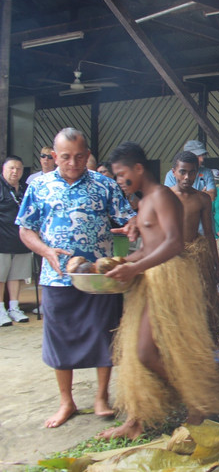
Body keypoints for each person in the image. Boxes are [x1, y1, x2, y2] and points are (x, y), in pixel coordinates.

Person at [99, 142, 219, 440]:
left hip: (170, 280)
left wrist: (133, 268)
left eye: (121, 174)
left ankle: (195, 403)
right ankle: (136, 420)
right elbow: (146, 248)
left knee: (145, 352)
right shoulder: (144, 202)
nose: (119, 181)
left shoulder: (162, 196)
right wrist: (116, 264)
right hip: (150, 280)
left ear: (139, 169)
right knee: (136, 353)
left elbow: (174, 244)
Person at [16, 128, 136, 429]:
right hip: (57, 277)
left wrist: (131, 227)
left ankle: (100, 397)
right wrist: (46, 251)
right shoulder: (39, 186)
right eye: (66, 157)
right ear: (55, 156)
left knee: (105, 334)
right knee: (61, 339)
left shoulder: (104, 185)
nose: (73, 162)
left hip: (99, 276)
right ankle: (66, 401)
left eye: (80, 156)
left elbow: (127, 218)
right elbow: (25, 229)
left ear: (88, 154)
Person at [169, 150, 219, 342]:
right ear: (174, 171)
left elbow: (209, 233)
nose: (187, 177)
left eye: (192, 172)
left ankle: (197, 343)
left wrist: (216, 265)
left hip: (195, 258)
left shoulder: (202, 199)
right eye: (183, 172)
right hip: (170, 260)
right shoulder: (165, 196)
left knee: (197, 304)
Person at [1, 156, 33, 326]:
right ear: (3, 169)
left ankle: (14, 307)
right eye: (11, 168)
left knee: (16, 275)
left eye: (18, 169)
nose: (15, 172)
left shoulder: (26, 188)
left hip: (21, 239)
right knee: (0, 276)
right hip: (2, 239)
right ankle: (0, 310)